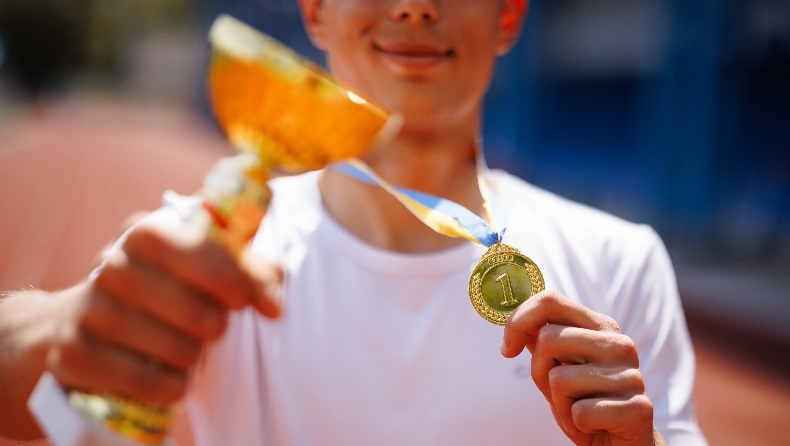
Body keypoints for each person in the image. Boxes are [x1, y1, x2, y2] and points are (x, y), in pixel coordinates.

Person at [0, 0, 707, 444]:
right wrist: (63, 329)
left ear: (510, 15)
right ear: (315, 11)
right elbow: (51, 417)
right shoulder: (202, 252)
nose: (415, 7)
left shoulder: (621, 261)